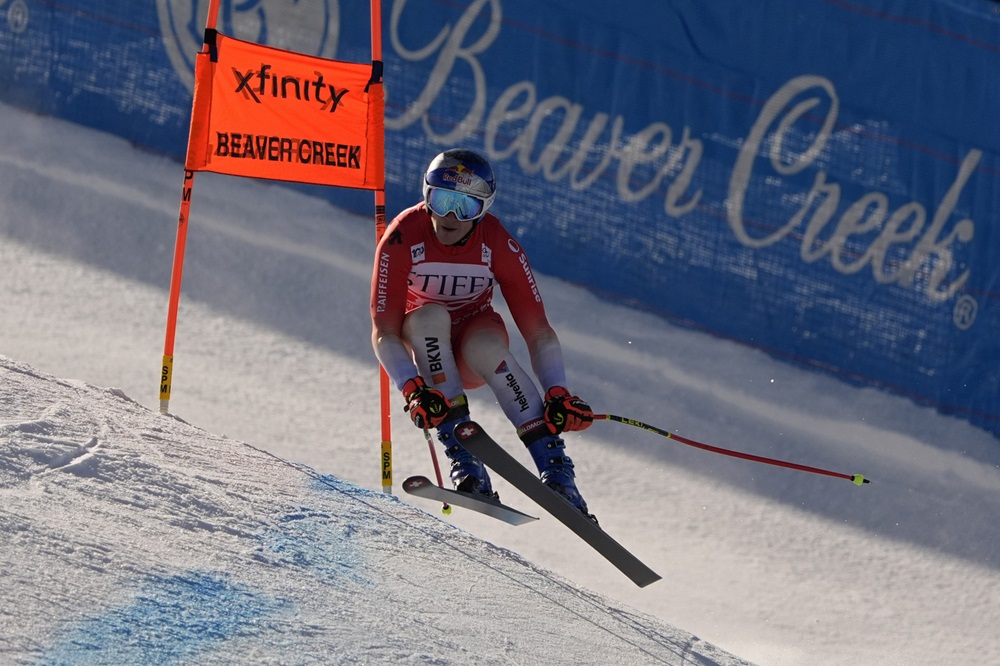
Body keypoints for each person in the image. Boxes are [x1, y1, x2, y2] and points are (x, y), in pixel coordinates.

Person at [370, 148, 597, 521]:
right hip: (430, 347)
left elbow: (538, 332)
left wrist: (558, 391)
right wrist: (411, 388)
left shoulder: (497, 243)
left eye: (466, 207)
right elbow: (384, 332)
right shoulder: (402, 236)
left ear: (485, 209)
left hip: (475, 341)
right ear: (425, 195)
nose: (449, 216)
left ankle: (557, 470)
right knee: (428, 318)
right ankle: (466, 462)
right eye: (441, 200)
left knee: (488, 347)